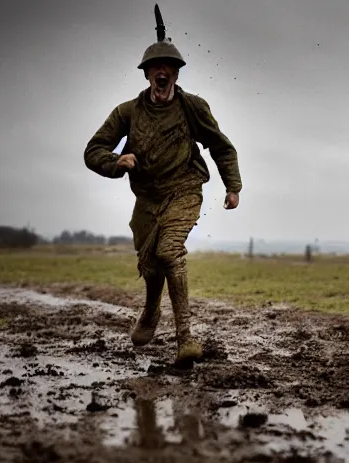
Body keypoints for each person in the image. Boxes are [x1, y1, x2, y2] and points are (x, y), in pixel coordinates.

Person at [83, 7, 242, 367]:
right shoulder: (127, 112)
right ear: (148, 74)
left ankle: (186, 337)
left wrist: (232, 186)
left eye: (169, 69)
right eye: (156, 69)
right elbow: (93, 150)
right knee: (150, 265)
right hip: (147, 199)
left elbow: (221, 146)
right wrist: (115, 162)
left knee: (170, 251)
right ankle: (150, 313)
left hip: (185, 188)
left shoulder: (192, 107)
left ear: (175, 73)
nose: (162, 74)